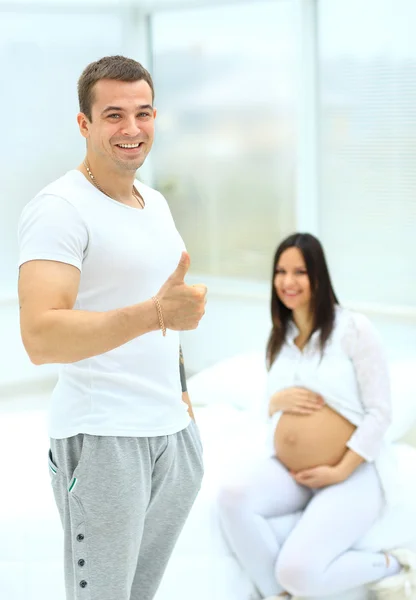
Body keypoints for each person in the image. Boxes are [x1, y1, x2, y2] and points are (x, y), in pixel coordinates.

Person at [17, 55, 206, 600]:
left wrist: (185, 402)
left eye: (143, 113)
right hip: (105, 441)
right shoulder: (59, 209)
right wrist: (156, 315)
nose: (132, 129)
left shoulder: (156, 203)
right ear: (85, 123)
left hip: (172, 436)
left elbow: (167, 308)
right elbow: (41, 337)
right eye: (114, 115)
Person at [217, 233, 416, 600]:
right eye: (280, 271)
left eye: (299, 272)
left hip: (352, 472)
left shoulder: (353, 329)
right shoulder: (280, 336)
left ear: (318, 278)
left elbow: (380, 414)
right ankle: (281, 595)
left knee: (297, 569)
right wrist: (276, 401)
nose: (287, 282)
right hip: (293, 472)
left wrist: (339, 469)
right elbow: (266, 406)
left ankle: (393, 564)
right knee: (231, 498)